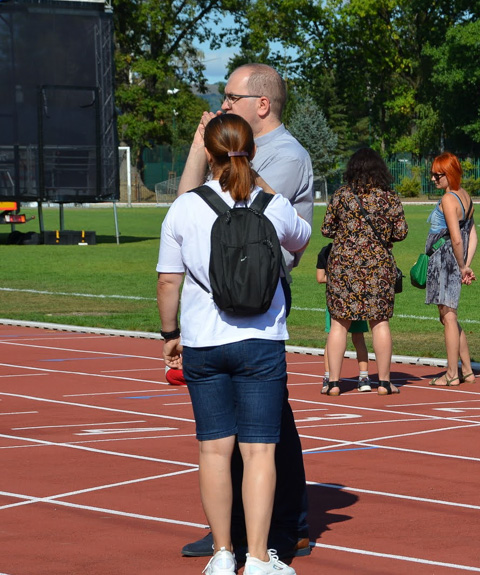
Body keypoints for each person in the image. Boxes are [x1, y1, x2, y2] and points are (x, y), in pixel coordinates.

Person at [157, 113, 311, 575]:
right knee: (260, 451)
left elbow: (168, 280)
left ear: (208, 154)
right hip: (261, 340)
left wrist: (169, 335)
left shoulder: (185, 207)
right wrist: (258, 179)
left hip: (204, 341)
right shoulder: (272, 203)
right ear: (253, 152)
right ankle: (260, 557)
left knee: (213, 449)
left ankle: (223, 553)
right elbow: (301, 241)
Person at [321, 148, 408, 396]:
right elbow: (401, 232)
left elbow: (326, 229)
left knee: (339, 323)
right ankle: (383, 382)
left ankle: (334, 383)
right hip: (377, 267)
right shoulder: (388, 197)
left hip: (343, 267)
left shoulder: (341, 195)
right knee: (379, 322)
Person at [425, 152, 478, 386]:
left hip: (445, 260)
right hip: (456, 261)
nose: (434, 180)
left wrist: (461, 265)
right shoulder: (465, 196)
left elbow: (457, 238)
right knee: (449, 316)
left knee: (448, 316)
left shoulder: (448, 199)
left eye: (439, 176)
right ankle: (466, 369)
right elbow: (473, 235)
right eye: (433, 175)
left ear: (451, 174)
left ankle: (451, 374)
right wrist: (466, 264)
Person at [316, 243, 372, 392]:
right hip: (356, 298)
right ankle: (363, 378)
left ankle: (329, 378)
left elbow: (320, 277)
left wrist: (338, 280)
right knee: (358, 338)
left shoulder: (327, 249)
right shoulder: (359, 247)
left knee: (333, 337)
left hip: (336, 299)